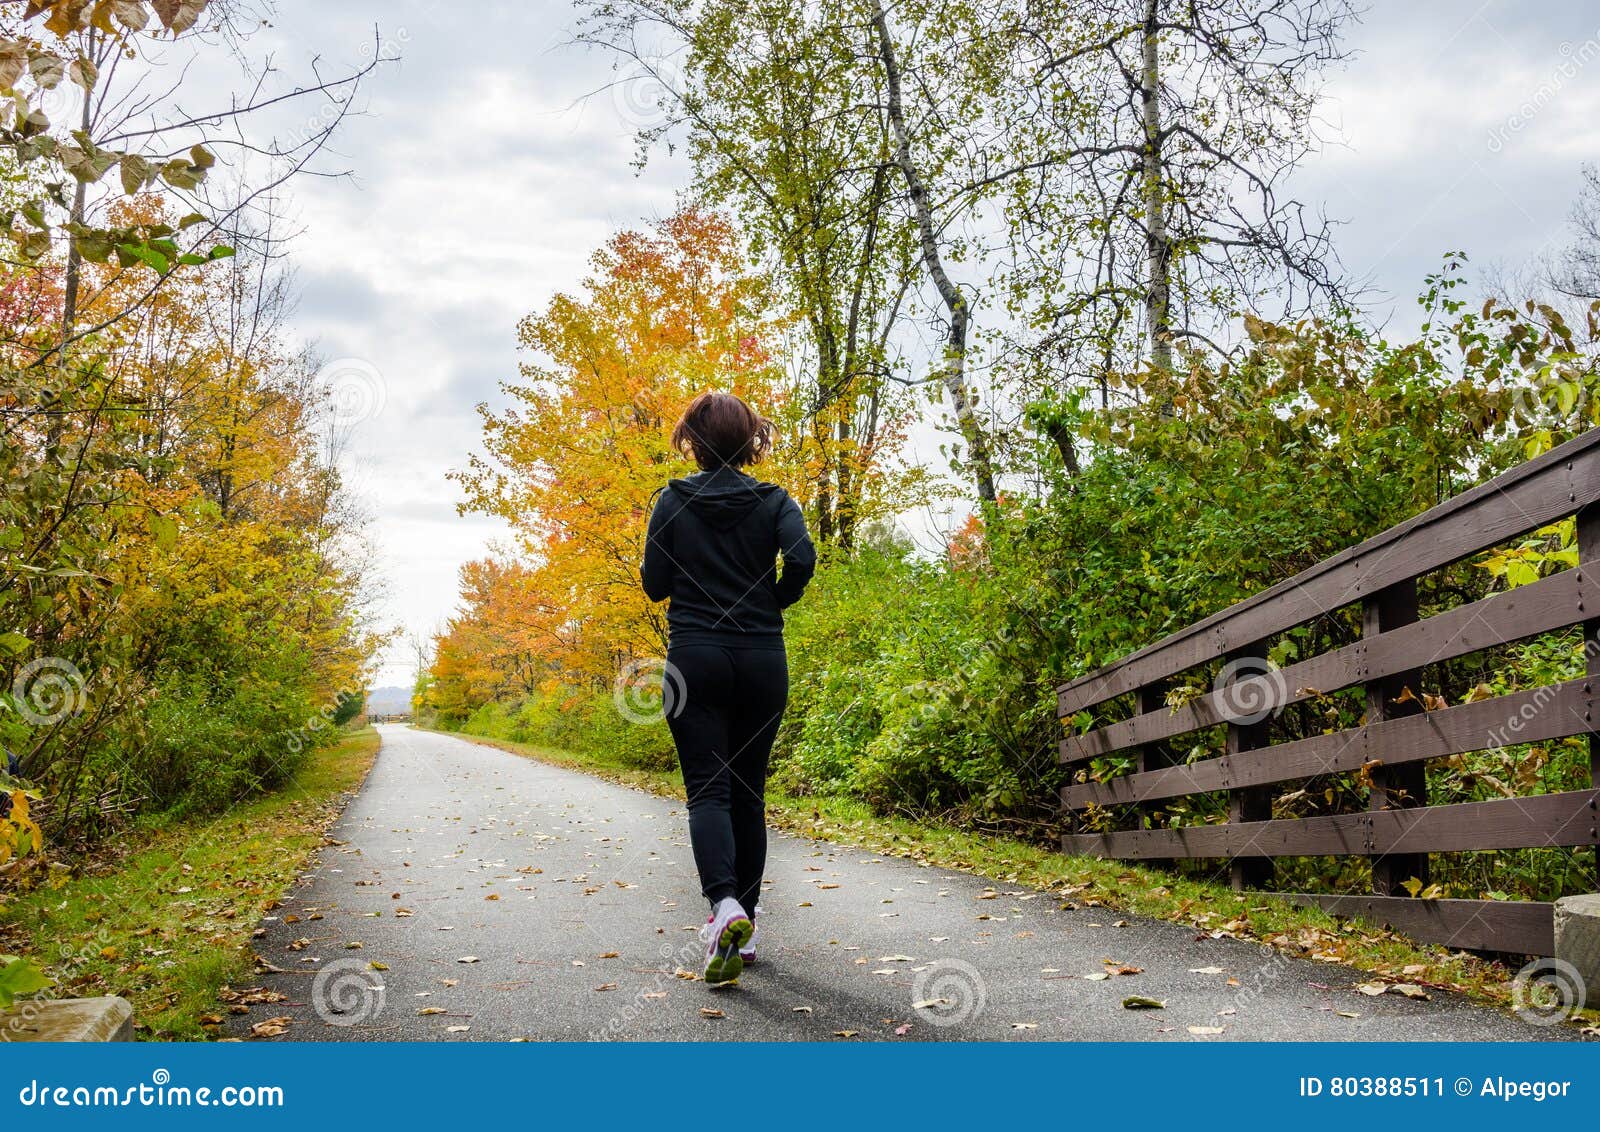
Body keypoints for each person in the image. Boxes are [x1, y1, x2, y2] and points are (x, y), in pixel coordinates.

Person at [639, 391, 816, 984]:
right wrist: (771, 601)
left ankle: (725, 910)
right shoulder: (775, 501)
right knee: (749, 792)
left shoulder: (672, 499)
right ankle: (744, 925)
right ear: (750, 440)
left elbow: (655, 585)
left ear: (691, 438)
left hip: (695, 659)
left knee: (708, 792)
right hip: (763, 659)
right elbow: (803, 559)